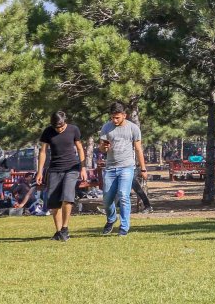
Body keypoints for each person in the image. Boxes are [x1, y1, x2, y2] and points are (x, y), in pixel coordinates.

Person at [37, 110, 87, 241]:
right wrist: (40, 171)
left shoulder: (73, 129)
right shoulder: (48, 131)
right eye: (56, 127)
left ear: (65, 121)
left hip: (72, 168)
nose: (59, 129)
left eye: (61, 126)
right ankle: (59, 232)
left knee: (67, 196)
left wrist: (83, 168)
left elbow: (80, 148)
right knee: (54, 203)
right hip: (54, 169)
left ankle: (65, 228)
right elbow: (43, 152)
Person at [99, 102, 146, 237]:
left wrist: (143, 168)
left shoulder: (133, 128)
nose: (115, 120)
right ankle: (112, 218)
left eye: (117, 117)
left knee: (123, 196)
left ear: (124, 115)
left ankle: (124, 227)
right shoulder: (106, 127)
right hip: (110, 168)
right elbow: (101, 148)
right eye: (113, 117)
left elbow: (138, 149)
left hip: (127, 167)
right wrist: (104, 148)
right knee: (107, 199)